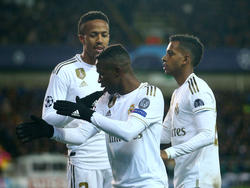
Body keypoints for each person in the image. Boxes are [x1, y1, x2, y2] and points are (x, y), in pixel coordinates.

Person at [17, 44, 169, 187]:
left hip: (148, 183)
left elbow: (128, 131)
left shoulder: (150, 94)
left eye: (102, 74)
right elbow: (82, 134)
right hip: (119, 184)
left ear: (117, 71)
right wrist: (51, 132)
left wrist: (87, 113)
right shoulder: (106, 99)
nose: (99, 80)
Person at [17, 11, 112, 188]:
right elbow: (49, 118)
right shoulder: (65, 71)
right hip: (84, 160)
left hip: (115, 160)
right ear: (82, 38)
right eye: (93, 35)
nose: (100, 40)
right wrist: (76, 110)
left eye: (104, 35)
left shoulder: (115, 70)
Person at [160, 34, 221, 188]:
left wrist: (169, 153)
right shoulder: (178, 93)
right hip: (185, 178)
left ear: (185, 59)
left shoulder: (197, 89)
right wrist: (132, 136)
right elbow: (164, 134)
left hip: (200, 179)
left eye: (170, 53)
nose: (164, 58)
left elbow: (207, 135)